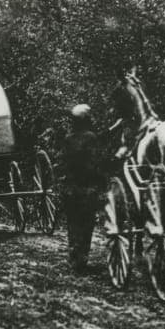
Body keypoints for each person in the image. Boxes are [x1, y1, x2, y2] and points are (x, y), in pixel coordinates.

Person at [60, 104, 107, 274]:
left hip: (70, 188)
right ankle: (82, 259)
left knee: (73, 223)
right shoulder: (91, 138)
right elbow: (96, 164)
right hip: (87, 188)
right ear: (86, 120)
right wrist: (102, 181)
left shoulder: (68, 138)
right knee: (87, 224)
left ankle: (74, 256)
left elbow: (64, 163)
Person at [107, 63, 159, 159]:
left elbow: (142, 100)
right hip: (141, 118)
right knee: (126, 142)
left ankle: (120, 157)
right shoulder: (127, 85)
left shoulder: (130, 84)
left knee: (126, 145)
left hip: (139, 120)